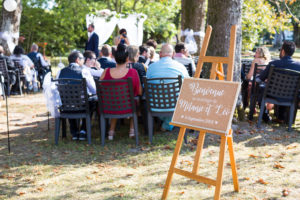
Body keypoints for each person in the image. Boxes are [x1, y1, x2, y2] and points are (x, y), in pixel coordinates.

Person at [100, 44, 142, 140]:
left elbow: (100, 88)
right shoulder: (133, 72)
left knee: (115, 99)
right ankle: (132, 131)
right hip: (128, 107)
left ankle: (111, 132)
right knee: (135, 101)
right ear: (127, 59)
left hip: (108, 107)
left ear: (114, 58)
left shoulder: (106, 71)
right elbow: (139, 92)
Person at [147, 44, 189, 131]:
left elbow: (146, 87)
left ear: (160, 53)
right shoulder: (180, 67)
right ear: (173, 54)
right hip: (175, 106)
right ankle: (167, 124)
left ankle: (166, 123)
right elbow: (188, 85)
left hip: (155, 105)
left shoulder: (150, 68)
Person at [257, 41, 300, 122]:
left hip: (271, 94)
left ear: (283, 51)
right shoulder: (299, 66)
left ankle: (265, 115)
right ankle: (281, 117)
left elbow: (260, 78)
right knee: (286, 87)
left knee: (260, 88)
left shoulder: (274, 64)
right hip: (290, 96)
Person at [58, 51, 96, 140]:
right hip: (82, 106)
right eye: (82, 59)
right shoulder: (84, 71)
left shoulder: (61, 72)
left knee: (69, 100)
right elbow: (94, 90)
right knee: (92, 102)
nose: (83, 61)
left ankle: (74, 131)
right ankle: (83, 130)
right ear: (77, 60)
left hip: (66, 106)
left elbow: (57, 89)